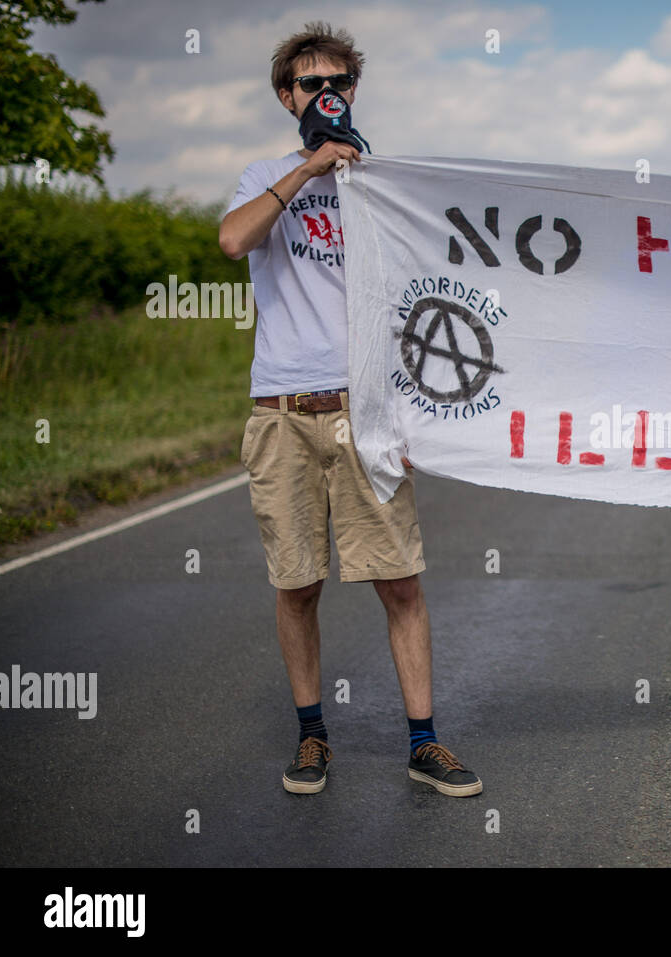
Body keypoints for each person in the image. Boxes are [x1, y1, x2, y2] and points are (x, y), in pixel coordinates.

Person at [219, 22, 481, 798]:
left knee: (399, 578)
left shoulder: (382, 181)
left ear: (354, 91)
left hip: (364, 409)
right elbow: (234, 241)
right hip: (283, 410)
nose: (324, 96)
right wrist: (309, 169)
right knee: (297, 581)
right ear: (286, 97)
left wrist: (409, 412)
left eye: (338, 84)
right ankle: (311, 735)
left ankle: (424, 741)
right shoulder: (264, 175)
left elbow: (425, 293)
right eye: (310, 86)